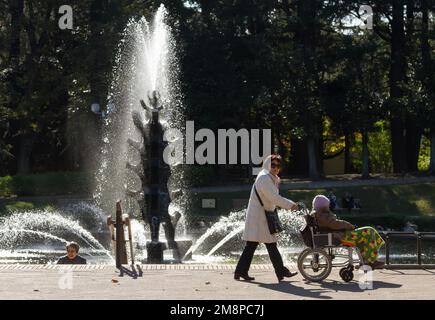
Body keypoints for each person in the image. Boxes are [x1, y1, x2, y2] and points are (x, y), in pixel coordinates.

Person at [235, 154, 299, 282]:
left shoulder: (270, 178)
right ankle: (280, 272)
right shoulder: (264, 178)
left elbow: (272, 199)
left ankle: (241, 271)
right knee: (267, 244)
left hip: (261, 216)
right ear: (267, 165)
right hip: (260, 217)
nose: (275, 168)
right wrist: (291, 205)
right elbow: (274, 198)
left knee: (255, 245)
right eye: (273, 165)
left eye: (278, 165)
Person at [311, 195, 385, 269]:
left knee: (368, 233)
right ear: (323, 206)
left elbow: (334, 224)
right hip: (341, 236)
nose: (329, 206)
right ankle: (370, 261)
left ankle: (367, 260)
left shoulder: (319, 214)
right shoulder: (323, 215)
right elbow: (335, 224)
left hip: (338, 234)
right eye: (327, 205)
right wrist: (349, 226)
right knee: (369, 231)